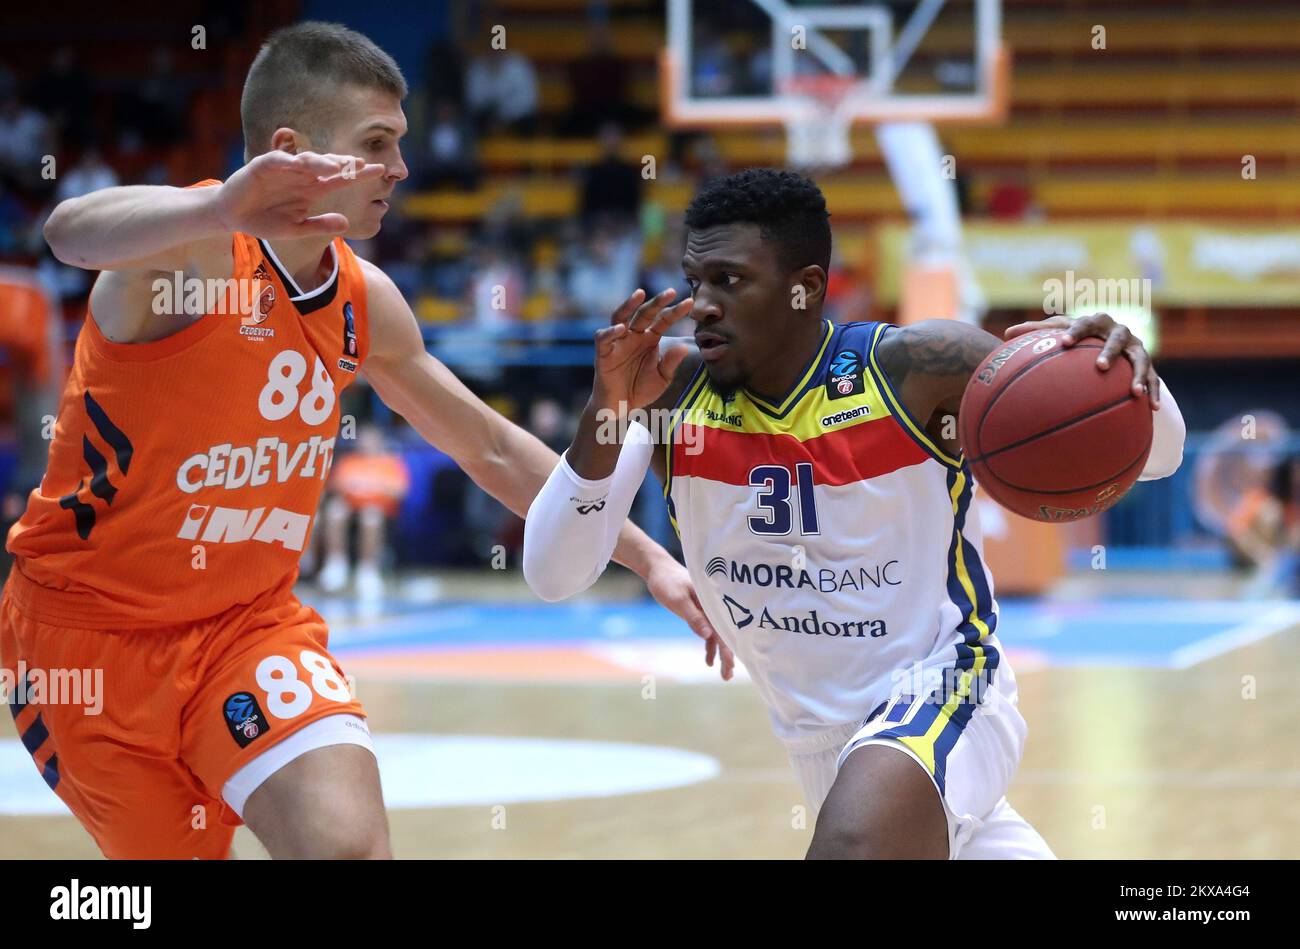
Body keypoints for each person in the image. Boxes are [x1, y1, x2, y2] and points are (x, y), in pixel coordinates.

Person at [4, 21, 726, 861]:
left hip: (247, 627)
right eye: (377, 144)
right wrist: (221, 201)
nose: (401, 169)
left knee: (347, 848)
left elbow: (489, 446)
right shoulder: (194, 250)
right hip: (86, 643)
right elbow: (68, 230)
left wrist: (651, 559)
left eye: (401, 143)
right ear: (291, 152)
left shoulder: (362, 300)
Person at [523, 168, 1187, 859]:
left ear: (805, 286)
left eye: (730, 280)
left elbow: (1160, 453)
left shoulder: (916, 369)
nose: (704, 305)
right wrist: (606, 411)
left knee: (852, 843)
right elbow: (553, 573)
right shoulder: (668, 394)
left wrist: (1129, 377)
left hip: (948, 690)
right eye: (695, 282)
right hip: (820, 747)